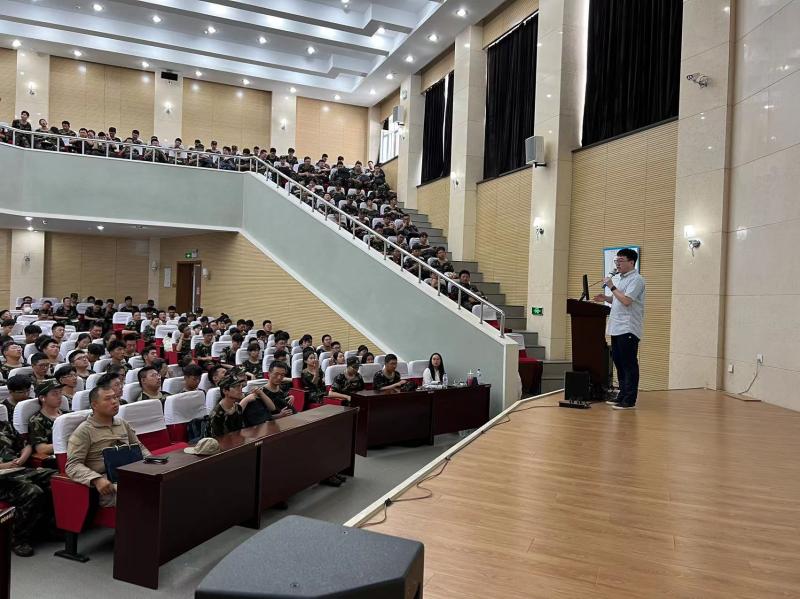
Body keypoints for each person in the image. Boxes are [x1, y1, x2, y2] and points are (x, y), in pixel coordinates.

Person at [65, 375, 152, 507]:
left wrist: (152, 463)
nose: (115, 402)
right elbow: (72, 466)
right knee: (148, 494)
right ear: (94, 405)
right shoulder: (84, 431)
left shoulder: (122, 423)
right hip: (108, 483)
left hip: (131, 473)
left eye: (115, 397)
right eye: (108, 399)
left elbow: (139, 447)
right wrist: (96, 479)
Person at [594, 248, 646, 410]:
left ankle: (630, 400)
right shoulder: (622, 278)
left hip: (628, 328)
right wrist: (607, 298)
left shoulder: (637, 279)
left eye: (621, 261)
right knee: (619, 362)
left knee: (629, 364)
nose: (617, 264)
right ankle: (622, 395)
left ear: (631, 262)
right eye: (616, 261)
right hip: (616, 327)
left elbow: (627, 301)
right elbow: (619, 299)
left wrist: (611, 286)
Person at [0, 411, 55, 557]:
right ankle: (17, 539)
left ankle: (47, 528)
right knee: (32, 491)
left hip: (18, 469)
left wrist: (21, 460)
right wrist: (5, 466)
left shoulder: (5, 426)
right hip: (1, 477)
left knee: (55, 478)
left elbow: (26, 445)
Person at [28, 379, 69, 468]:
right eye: (55, 394)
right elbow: (41, 449)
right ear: (42, 398)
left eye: (60, 393)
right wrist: (70, 443)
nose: (60, 397)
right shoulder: (37, 420)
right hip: (56, 459)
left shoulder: (68, 415)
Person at [242, 362, 296, 427]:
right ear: (269, 374)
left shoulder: (282, 389)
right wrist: (279, 415)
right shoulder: (260, 393)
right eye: (276, 374)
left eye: (282, 375)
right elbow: (262, 418)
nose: (279, 377)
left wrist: (291, 397)